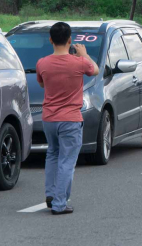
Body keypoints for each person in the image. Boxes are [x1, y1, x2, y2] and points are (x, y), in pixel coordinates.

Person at [36, 22, 99, 215]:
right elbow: (95, 70)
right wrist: (84, 54)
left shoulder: (42, 63)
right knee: (67, 161)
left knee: (52, 155)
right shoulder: (79, 63)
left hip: (49, 119)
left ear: (50, 40)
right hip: (70, 119)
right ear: (70, 40)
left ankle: (51, 193)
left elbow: (41, 84)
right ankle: (59, 203)